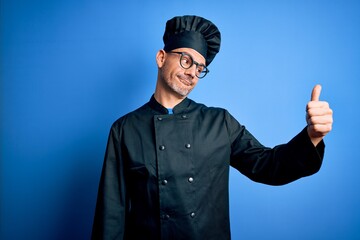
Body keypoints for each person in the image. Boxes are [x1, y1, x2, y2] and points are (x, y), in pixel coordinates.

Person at [91, 15, 333, 240]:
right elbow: (112, 212)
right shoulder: (125, 129)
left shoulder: (220, 123)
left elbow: (268, 166)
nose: (192, 73)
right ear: (161, 58)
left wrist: (312, 136)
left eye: (199, 68)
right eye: (186, 60)